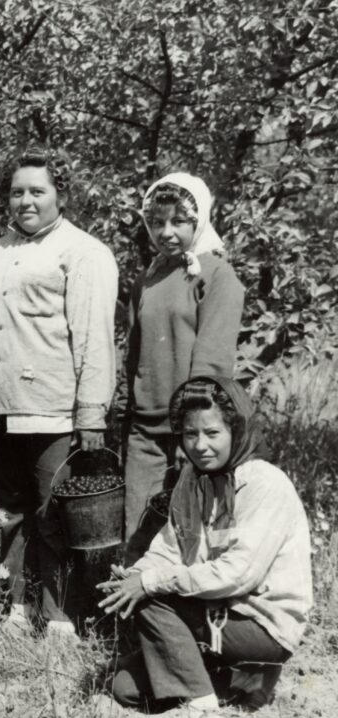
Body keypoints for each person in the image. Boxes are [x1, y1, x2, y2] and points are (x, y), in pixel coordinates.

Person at [98, 376, 312, 718]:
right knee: (123, 686)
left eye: (212, 434)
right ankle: (237, 681)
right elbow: (170, 547)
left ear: (236, 429)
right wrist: (132, 577)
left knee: (153, 596)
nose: (200, 446)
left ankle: (199, 709)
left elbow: (238, 574)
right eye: (189, 434)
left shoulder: (264, 483)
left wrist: (148, 584)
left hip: (259, 623)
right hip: (214, 613)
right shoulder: (191, 479)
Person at [0, 148, 118, 642]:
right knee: (8, 513)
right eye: (17, 191)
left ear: (61, 195)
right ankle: (16, 608)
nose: (26, 201)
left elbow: (93, 336)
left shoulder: (82, 252)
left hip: (53, 409)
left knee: (54, 515)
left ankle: (59, 617)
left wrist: (91, 412)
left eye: (38, 191)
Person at [123, 173, 244, 561]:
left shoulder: (216, 275)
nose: (166, 232)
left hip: (192, 431)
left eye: (178, 221)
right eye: (157, 222)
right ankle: (134, 618)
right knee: (138, 528)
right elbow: (133, 354)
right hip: (145, 429)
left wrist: (192, 433)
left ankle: (194, 617)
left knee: (192, 534)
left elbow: (212, 360)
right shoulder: (148, 278)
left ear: (199, 221)